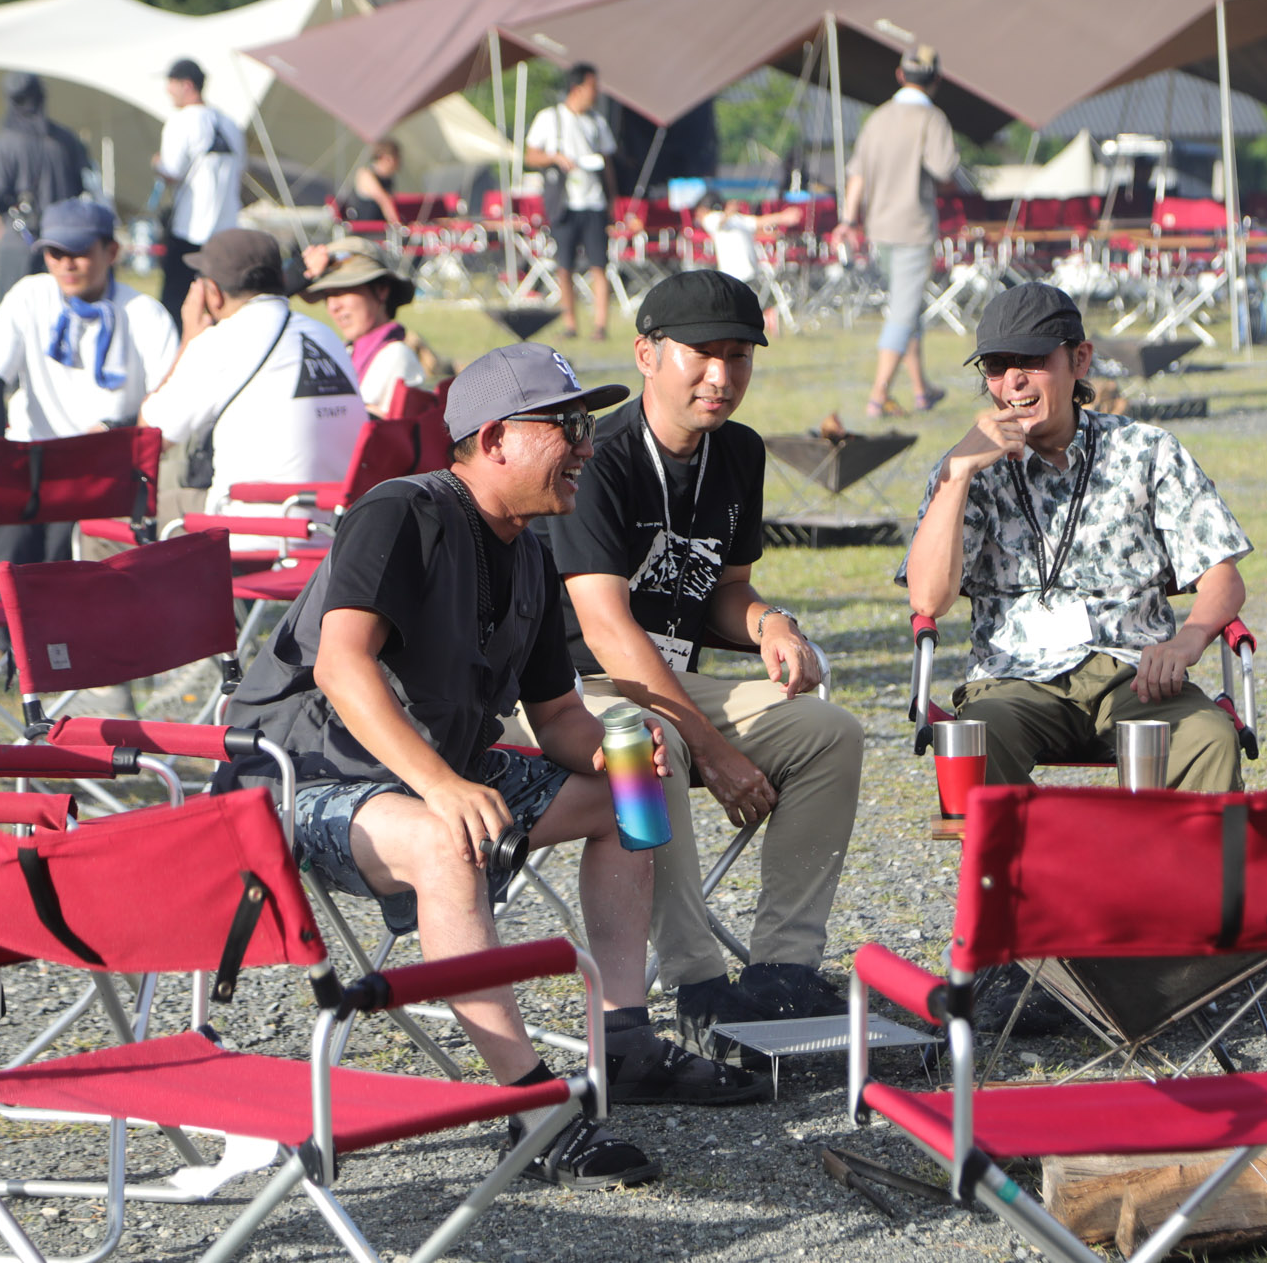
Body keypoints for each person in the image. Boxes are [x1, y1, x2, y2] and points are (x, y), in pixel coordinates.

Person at [217, 341, 768, 1190]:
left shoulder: (531, 551)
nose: (587, 444)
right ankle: (533, 1108)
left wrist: (618, 750)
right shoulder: (399, 512)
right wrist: (441, 784)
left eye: (585, 425)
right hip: (297, 779)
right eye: (566, 426)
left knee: (635, 784)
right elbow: (340, 666)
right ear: (496, 438)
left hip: (430, 776)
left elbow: (558, 718)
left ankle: (622, 1036)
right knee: (443, 838)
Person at [528, 270, 865, 1057]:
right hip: (572, 690)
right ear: (646, 355)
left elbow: (726, 589)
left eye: (739, 356)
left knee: (829, 732)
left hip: (672, 680)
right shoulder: (598, 456)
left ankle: (783, 969)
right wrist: (714, 752)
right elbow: (607, 629)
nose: (722, 374)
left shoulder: (738, 451)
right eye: (702, 353)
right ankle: (697, 982)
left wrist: (770, 623)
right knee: (656, 743)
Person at [902, 281, 1252, 793]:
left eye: (1032, 359)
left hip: (1135, 671)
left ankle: (1183, 851)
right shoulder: (966, 466)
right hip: (1014, 677)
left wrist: (1188, 640)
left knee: (1209, 738)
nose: (1014, 381)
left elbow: (1223, 576)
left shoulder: (1147, 451)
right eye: (997, 366)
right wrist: (956, 476)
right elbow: (928, 599)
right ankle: (1021, 851)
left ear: (1080, 360)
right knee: (976, 737)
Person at [0, 199, 177, 669]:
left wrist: (118, 427)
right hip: (29, 456)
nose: (66, 265)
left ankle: (22, 636)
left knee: (61, 544)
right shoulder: (29, 295)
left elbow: (170, 399)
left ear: (111, 252)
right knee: (11, 533)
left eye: (80, 253)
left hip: (102, 463)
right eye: (55, 254)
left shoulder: (144, 313)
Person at [138, 229, 364, 519]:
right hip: (337, 525)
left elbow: (149, 438)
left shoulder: (219, 342)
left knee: (102, 524)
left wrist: (188, 341)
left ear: (213, 293)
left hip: (253, 525)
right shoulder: (324, 335)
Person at [832, 45, 959, 419]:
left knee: (907, 307)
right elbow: (945, 169)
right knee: (903, 312)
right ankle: (878, 396)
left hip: (879, 229)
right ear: (937, 80)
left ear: (901, 75)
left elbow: (857, 174)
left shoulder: (878, 118)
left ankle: (921, 390)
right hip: (913, 228)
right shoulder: (932, 119)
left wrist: (848, 220)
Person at [298, 238, 451, 414]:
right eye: (327, 296)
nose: (333, 306)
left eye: (342, 291)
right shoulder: (347, 352)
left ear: (381, 290)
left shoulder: (395, 355)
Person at [524, 63, 617, 343]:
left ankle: (600, 326)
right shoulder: (550, 118)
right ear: (577, 88)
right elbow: (530, 156)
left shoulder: (597, 122)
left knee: (599, 264)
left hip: (594, 202)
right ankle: (570, 324)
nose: (596, 93)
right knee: (564, 265)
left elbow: (608, 163)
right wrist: (555, 157)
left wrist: (612, 200)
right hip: (564, 203)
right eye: (593, 87)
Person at [153, 58, 247, 329]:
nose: (167, 90)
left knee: (176, 307)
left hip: (190, 230)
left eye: (171, 83)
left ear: (186, 85)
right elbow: (240, 170)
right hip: (226, 230)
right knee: (223, 306)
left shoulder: (181, 121)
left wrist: (156, 163)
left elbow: (171, 171)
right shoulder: (230, 123)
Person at [0, 73, 91, 302]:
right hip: (63, 241)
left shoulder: (3, 143)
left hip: (20, 240)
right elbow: (82, 185)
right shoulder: (65, 139)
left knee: (15, 306)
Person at [696, 192, 801, 338]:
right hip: (746, 270)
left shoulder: (717, 218)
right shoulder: (730, 219)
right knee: (744, 305)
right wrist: (782, 217)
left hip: (734, 271)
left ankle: (763, 318)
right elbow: (756, 222)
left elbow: (752, 222)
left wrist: (782, 217)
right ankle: (766, 317)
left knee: (735, 308)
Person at [337, 139, 404, 228]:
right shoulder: (365, 175)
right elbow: (383, 199)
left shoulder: (389, 180)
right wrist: (398, 226)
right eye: (395, 157)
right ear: (384, 157)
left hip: (382, 229)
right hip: (364, 230)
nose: (399, 161)